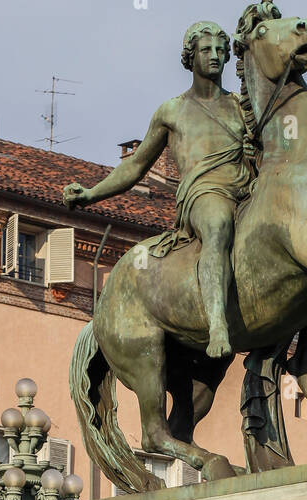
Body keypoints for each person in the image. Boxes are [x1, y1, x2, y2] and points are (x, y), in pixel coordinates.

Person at [63, 20, 255, 359]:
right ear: (190, 56)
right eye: (207, 50)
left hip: (247, 189)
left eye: (221, 51)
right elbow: (136, 165)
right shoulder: (173, 111)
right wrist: (92, 193)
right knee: (217, 225)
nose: (215, 57)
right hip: (205, 193)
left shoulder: (241, 106)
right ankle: (217, 324)